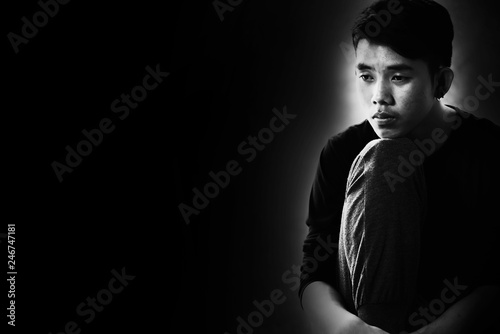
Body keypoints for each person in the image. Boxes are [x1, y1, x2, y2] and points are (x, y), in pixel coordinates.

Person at [299, 0, 500, 333]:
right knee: (385, 156)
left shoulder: (488, 150)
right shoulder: (340, 151)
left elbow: (495, 276)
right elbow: (314, 270)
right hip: (363, 319)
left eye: (399, 77)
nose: (379, 96)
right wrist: (355, 331)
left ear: (441, 82)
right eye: (366, 75)